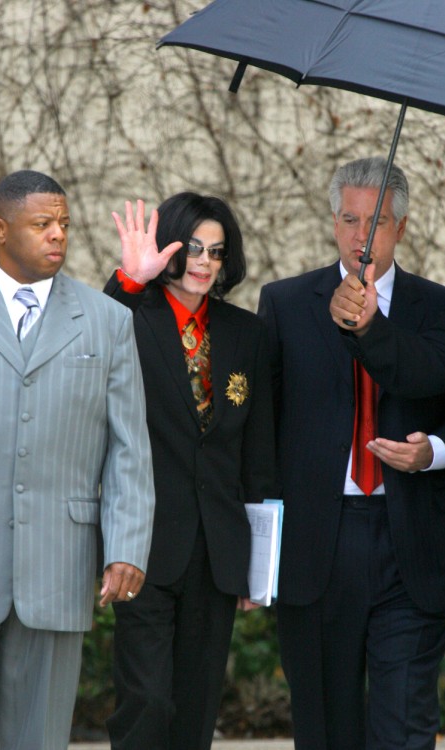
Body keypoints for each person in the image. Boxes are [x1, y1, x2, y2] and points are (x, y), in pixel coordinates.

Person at [258, 156, 445, 750]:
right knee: (325, 729)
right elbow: (261, 430)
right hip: (318, 542)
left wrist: (437, 452)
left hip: (414, 542)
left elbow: (444, 394)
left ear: (400, 227)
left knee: (402, 727)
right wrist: (255, 539)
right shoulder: (286, 302)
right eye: (348, 219)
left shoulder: (442, 308)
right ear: (332, 223)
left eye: (374, 222)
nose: (359, 236)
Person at [0, 170, 155, 750]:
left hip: (58, 563)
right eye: (42, 224)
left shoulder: (108, 320)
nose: (58, 236)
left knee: (39, 738)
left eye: (65, 225)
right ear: (0, 230)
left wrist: (126, 544)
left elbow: (130, 449)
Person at [103, 192, 275, 750]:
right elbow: (94, 339)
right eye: (194, 248)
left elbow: (258, 450)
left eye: (217, 252)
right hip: (144, 541)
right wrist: (129, 281)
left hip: (218, 546)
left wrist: (259, 558)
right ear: (170, 248)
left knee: (197, 706)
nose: (204, 262)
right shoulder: (131, 316)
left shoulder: (245, 333)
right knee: (147, 699)